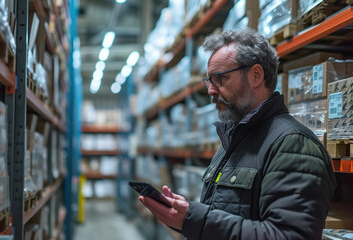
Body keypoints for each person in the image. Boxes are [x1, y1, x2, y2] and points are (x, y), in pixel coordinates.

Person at [138, 29, 336, 240]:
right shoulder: (231, 142)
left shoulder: (293, 146)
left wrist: (195, 219)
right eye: (209, 81)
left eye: (220, 79)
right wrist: (184, 213)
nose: (210, 91)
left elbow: (289, 236)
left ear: (256, 76)